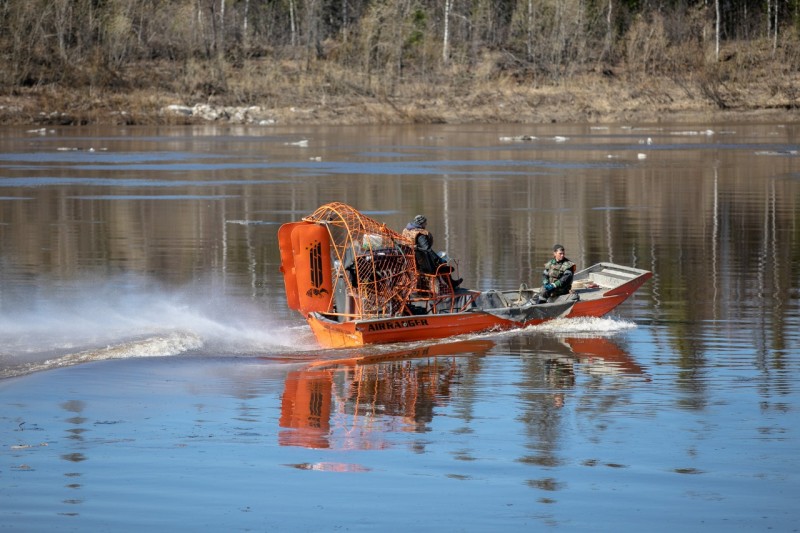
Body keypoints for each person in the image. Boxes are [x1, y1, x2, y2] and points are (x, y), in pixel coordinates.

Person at [403, 215, 462, 288]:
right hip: (424, 266)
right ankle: (452, 284)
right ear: (421, 223)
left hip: (412, 263)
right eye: (425, 222)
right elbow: (427, 248)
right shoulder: (420, 234)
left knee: (440, 263)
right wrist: (438, 259)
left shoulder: (407, 231)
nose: (426, 224)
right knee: (445, 266)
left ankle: (436, 286)